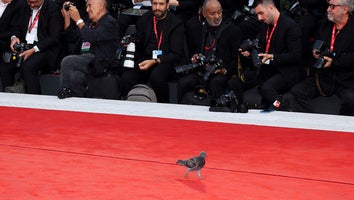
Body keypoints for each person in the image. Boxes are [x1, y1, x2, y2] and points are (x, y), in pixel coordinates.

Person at [284, 0, 354, 116]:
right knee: (296, 93)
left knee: (351, 99)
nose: (328, 10)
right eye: (328, 6)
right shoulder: (325, 24)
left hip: (346, 79)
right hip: (323, 77)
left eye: (332, 6)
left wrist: (334, 62)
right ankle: (315, 123)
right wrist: (315, 51)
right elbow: (317, 42)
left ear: (345, 9)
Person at [237, 0, 302, 109]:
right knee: (235, 82)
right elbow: (261, 47)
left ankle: (283, 107)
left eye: (261, 13)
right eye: (257, 14)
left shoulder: (290, 26)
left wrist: (272, 57)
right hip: (266, 69)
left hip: (285, 72)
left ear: (271, 8)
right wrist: (250, 53)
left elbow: (295, 55)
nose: (259, 18)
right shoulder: (264, 25)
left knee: (267, 88)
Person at [177, 0, 243, 104]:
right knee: (183, 83)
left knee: (215, 83)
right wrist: (194, 57)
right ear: (204, 13)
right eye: (212, 13)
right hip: (201, 70)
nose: (217, 16)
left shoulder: (233, 30)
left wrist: (224, 70)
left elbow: (237, 59)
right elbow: (191, 51)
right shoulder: (195, 29)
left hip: (222, 71)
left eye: (219, 12)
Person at [120, 0, 185, 103]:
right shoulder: (145, 19)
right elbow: (140, 43)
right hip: (146, 58)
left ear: (168, 5)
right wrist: (131, 42)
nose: (157, 7)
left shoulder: (176, 23)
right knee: (127, 77)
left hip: (166, 61)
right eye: (155, 4)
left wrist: (155, 61)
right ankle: (129, 107)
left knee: (157, 77)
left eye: (161, 4)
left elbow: (176, 54)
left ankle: (163, 107)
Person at [58, 0, 120, 98]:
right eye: (86, 7)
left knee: (68, 61)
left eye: (89, 6)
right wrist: (67, 16)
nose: (87, 10)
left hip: (101, 61)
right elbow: (70, 37)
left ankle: (64, 90)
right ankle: (77, 103)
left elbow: (92, 37)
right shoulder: (89, 23)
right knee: (75, 76)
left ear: (100, 6)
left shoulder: (110, 23)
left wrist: (78, 20)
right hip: (86, 61)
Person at [0, 0, 63, 94]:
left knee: (28, 66)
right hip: (25, 46)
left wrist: (34, 49)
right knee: (6, 67)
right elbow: (15, 27)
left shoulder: (52, 8)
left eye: (35, 2)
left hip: (43, 47)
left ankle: (34, 99)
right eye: (30, 2)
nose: (32, 5)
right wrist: (14, 37)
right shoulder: (24, 6)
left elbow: (55, 36)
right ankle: (11, 97)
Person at [0, 0, 23, 91]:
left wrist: (13, 37)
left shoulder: (20, 5)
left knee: (6, 68)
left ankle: (8, 97)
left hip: (7, 44)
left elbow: (17, 28)